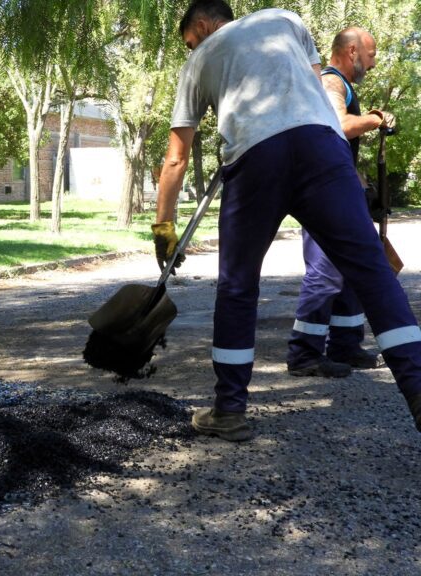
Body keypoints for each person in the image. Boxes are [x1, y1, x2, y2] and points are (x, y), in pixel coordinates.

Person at [152, 0, 421, 441]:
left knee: (238, 287)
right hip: (323, 149)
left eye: (188, 42)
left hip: (254, 160)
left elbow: (175, 159)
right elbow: (313, 91)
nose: (190, 49)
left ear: (201, 25)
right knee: (372, 272)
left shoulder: (198, 62)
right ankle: (418, 388)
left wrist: (163, 227)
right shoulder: (283, 19)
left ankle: (230, 411)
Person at [286, 27, 395, 378]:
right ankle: (304, 355)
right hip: (323, 196)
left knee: (353, 268)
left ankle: (346, 345)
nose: (373, 63)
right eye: (372, 54)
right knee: (325, 273)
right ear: (352, 52)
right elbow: (339, 124)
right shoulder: (332, 81)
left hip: (341, 192)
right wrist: (377, 119)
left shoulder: (341, 85)